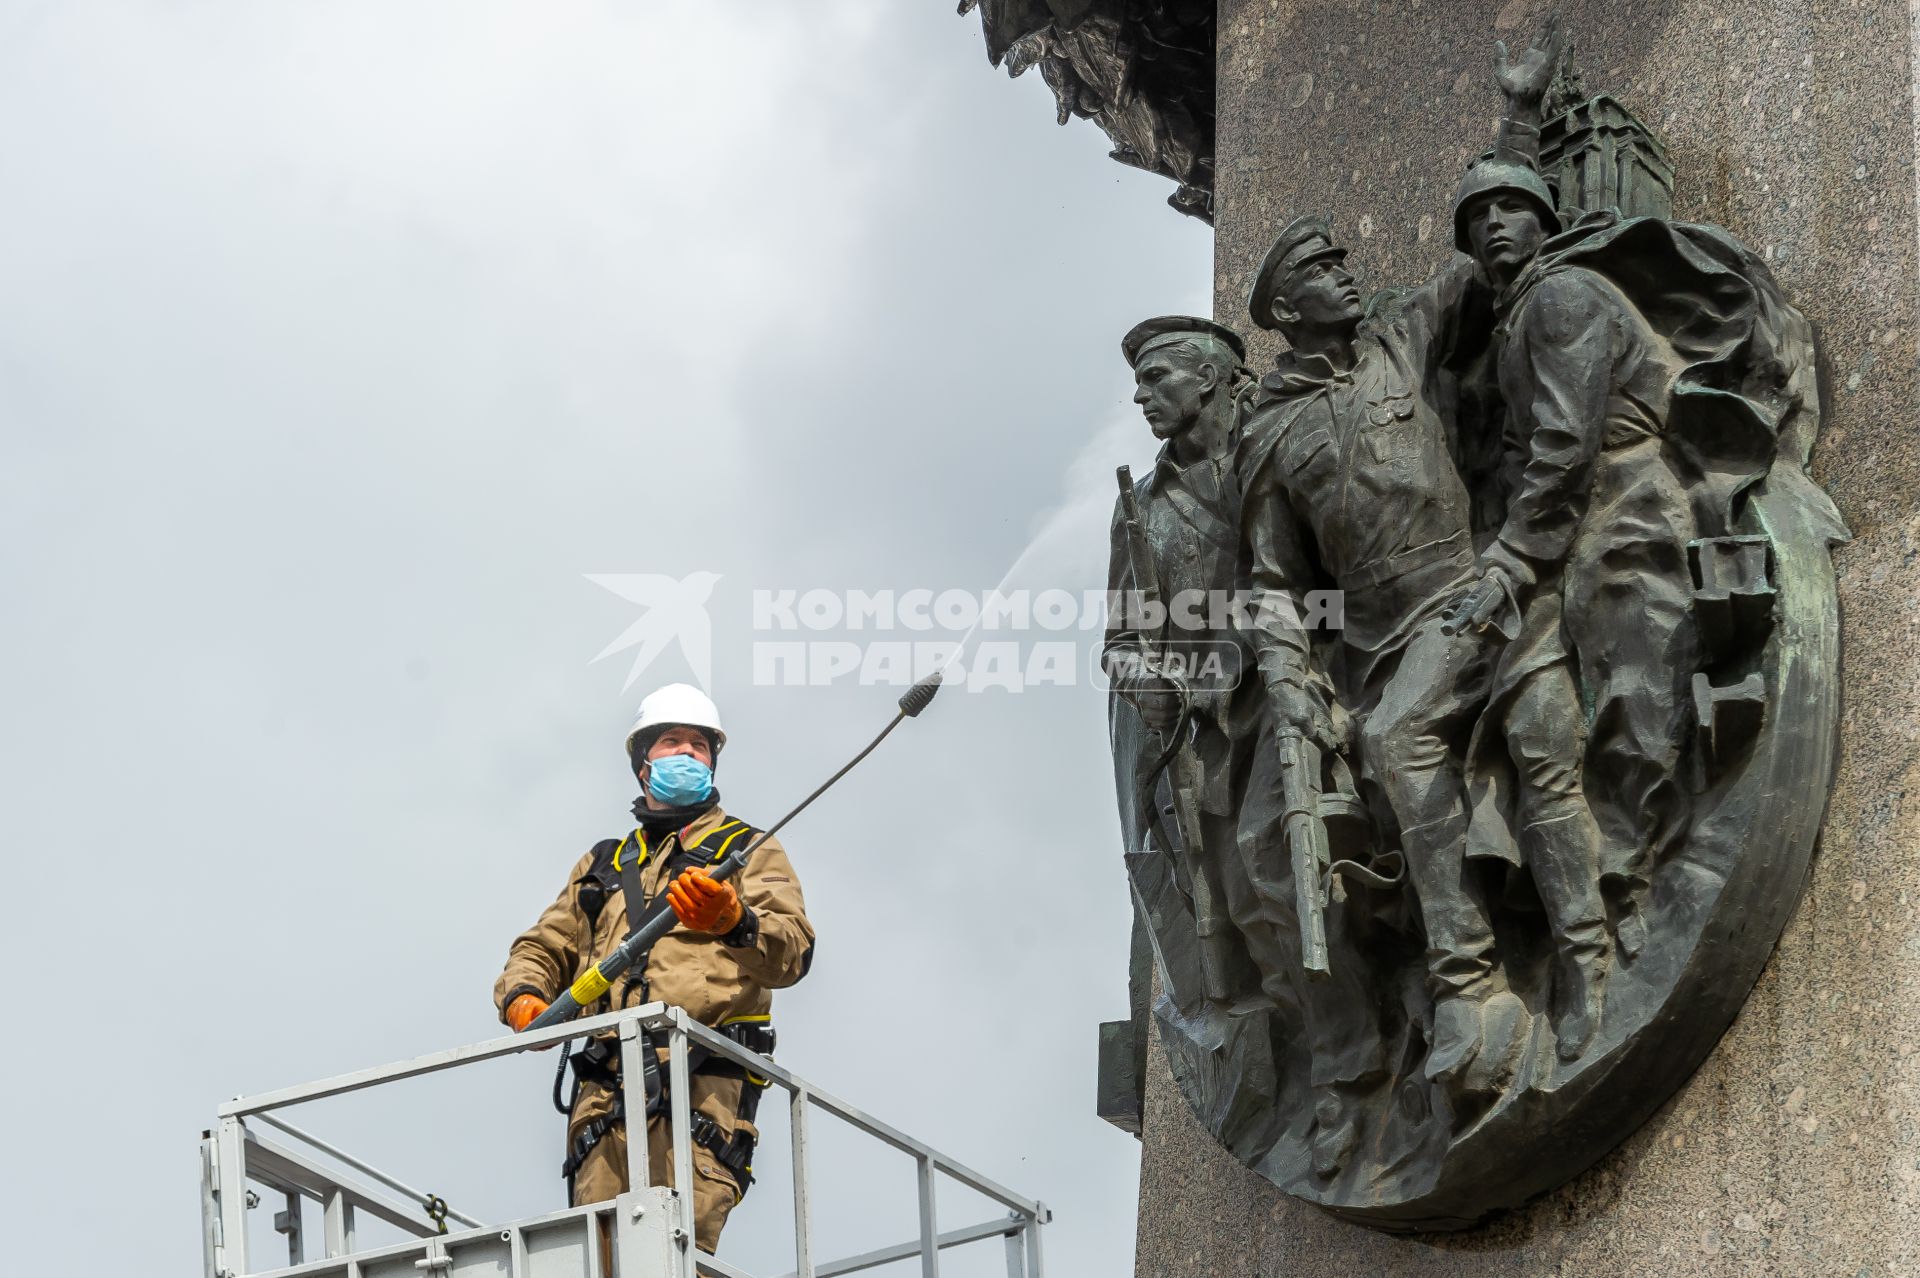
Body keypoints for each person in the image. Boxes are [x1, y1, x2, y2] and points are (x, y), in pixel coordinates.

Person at [493, 683, 815, 1255]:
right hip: (604, 1098)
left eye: (699, 745)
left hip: (700, 1085)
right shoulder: (604, 865)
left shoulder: (748, 849)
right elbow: (543, 945)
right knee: (603, 1259)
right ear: (644, 764)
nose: (687, 753)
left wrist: (733, 921)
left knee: (676, 1254)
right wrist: (524, 998)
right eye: (672, 742)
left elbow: (792, 951)